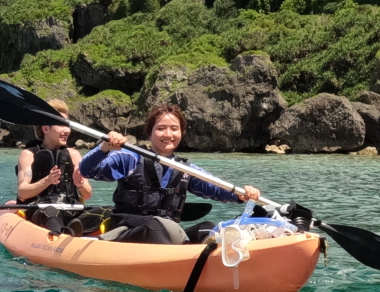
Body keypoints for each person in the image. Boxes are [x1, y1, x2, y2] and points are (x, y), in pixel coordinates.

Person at [79, 103, 261, 245]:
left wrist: (240, 194)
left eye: (174, 128)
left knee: (210, 228)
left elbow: (214, 187)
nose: (168, 134)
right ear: (149, 133)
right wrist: (104, 147)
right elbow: (87, 170)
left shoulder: (185, 169)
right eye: (161, 128)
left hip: (166, 232)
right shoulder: (129, 157)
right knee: (155, 224)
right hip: (129, 230)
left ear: (182, 132)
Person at [14, 99, 98, 235]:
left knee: (107, 212)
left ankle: (71, 230)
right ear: (46, 129)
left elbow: (87, 194)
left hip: (71, 209)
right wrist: (47, 181)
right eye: (61, 125)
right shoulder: (29, 154)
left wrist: (80, 184)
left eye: (67, 125)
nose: (66, 130)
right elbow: (22, 193)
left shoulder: (74, 154)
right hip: (42, 208)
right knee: (50, 212)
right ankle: (61, 235)